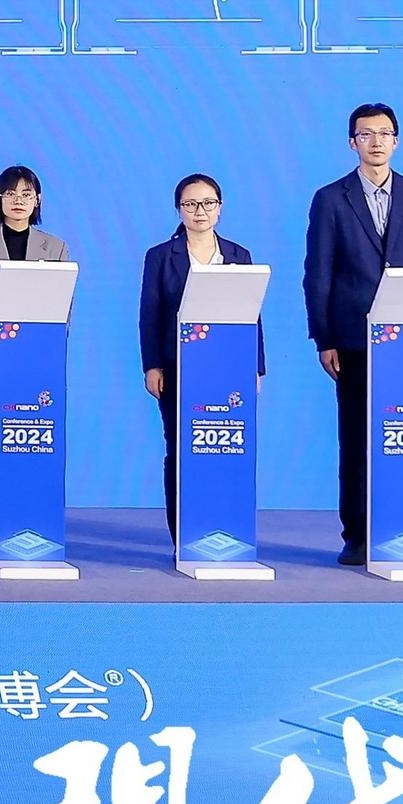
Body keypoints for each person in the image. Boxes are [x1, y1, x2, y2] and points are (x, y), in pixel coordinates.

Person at [304, 102, 403, 567]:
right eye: (366, 134)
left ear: (397, 141)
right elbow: (318, 273)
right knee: (356, 440)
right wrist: (324, 338)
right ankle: (357, 535)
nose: (376, 142)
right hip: (352, 338)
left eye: (384, 133)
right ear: (353, 143)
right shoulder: (331, 198)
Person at [139, 173, 254, 537]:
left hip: (227, 370)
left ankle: (224, 525)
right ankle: (183, 534)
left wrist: (255, 368)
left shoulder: (238, 255)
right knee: (181, 447)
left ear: (220, 208)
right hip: (177, 367)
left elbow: (253, 314)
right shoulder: (161, 256)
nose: (199, 211)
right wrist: (152, 365)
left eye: (207, 203)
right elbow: (150, 314)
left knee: (225, 447)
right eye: (190, 204)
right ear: (179, 210)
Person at [0, 164, 70, 484]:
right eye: (10, 193)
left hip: (37, 360)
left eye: (26, 194)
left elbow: (62, 303)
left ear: (38, 200)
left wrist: (39, 344)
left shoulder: (56, 248)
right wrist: (1, 339)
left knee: (34, 440)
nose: (18, 200)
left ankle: (32, 504)